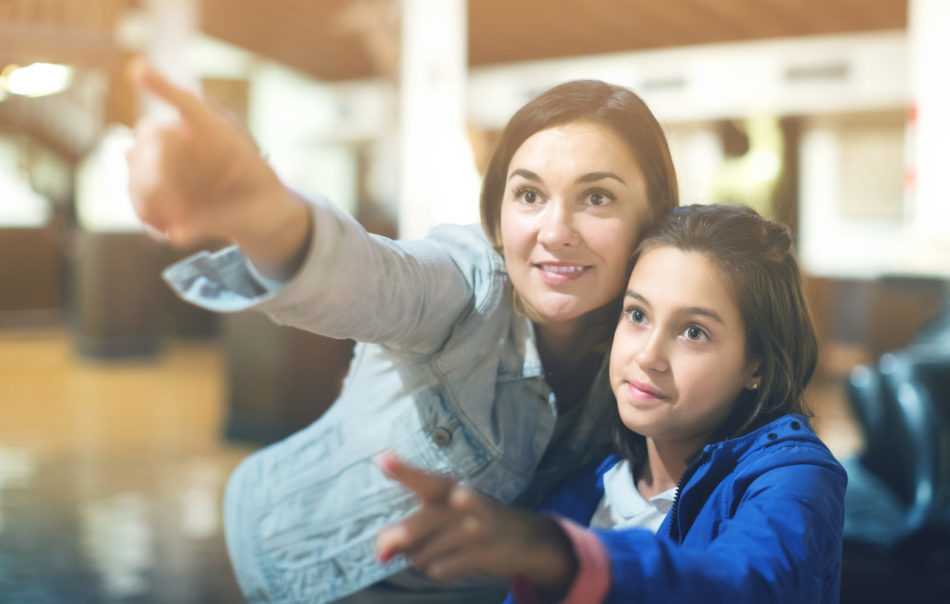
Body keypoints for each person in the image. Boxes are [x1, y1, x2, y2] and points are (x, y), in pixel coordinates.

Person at [125, 61, 678, 604]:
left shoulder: (653, 347)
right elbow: (372, 277)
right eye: (529, 195)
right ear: (498, 209)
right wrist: (264, 215)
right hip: (303, 574)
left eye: (597, 198)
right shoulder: (466, 287)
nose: (555, 232)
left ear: (652, 220)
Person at [376, 204, 848, 603]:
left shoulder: (794, 479)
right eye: (637, 315)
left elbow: (746, 583)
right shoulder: (587, 486)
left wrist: (556, 552)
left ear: (757, 366)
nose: (647, 356)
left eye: (694, 332)